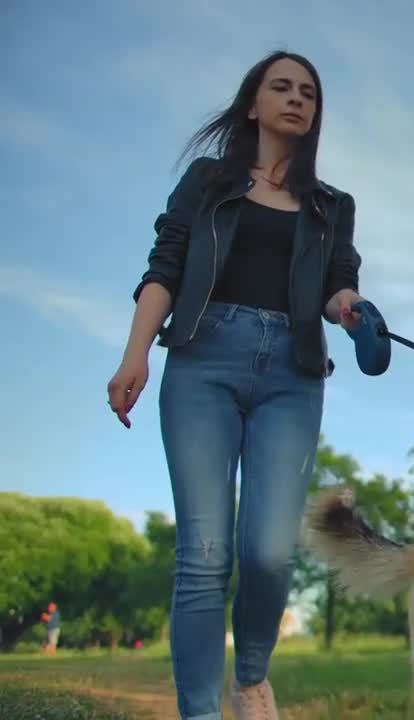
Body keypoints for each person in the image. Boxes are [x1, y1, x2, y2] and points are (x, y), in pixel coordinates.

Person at [106, 50, 371, 720]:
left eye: (308, 92)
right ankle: (198, 712)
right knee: (204, 553)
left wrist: (348, 307)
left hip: (293, 372)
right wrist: (136, 354)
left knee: (268, 551)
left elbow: (340, 277)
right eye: (280, 87)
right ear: (252, 104)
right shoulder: (207, 182)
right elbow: (165, 264)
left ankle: (250, 677)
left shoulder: (331, 205)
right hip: (203, 360)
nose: (296, 99)